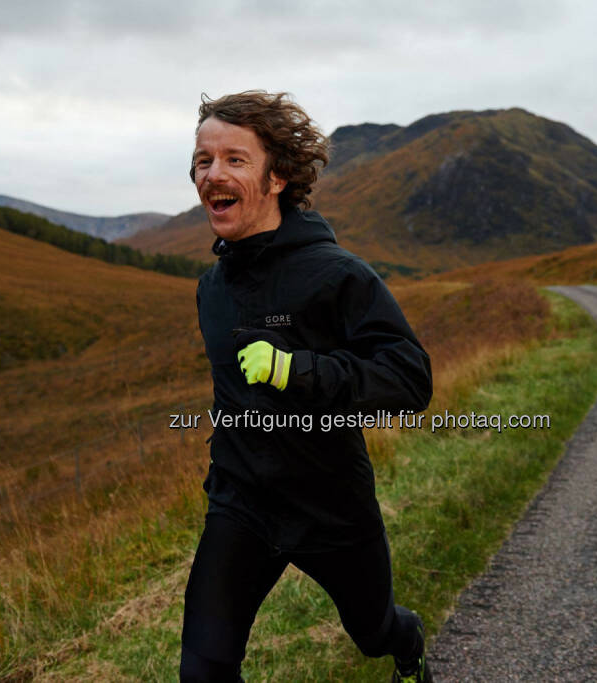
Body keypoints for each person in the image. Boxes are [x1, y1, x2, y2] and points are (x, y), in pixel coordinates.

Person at [180, 90, 434, 683]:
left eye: (235, 160)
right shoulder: (211, 289)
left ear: (278, 178)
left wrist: (298, 369)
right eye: (202, 160)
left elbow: (410, 378)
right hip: (242, 504)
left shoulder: (338, 275)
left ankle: (409, 639)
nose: (212, 173)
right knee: (204, 670)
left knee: (373, 634)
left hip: (331, 506)